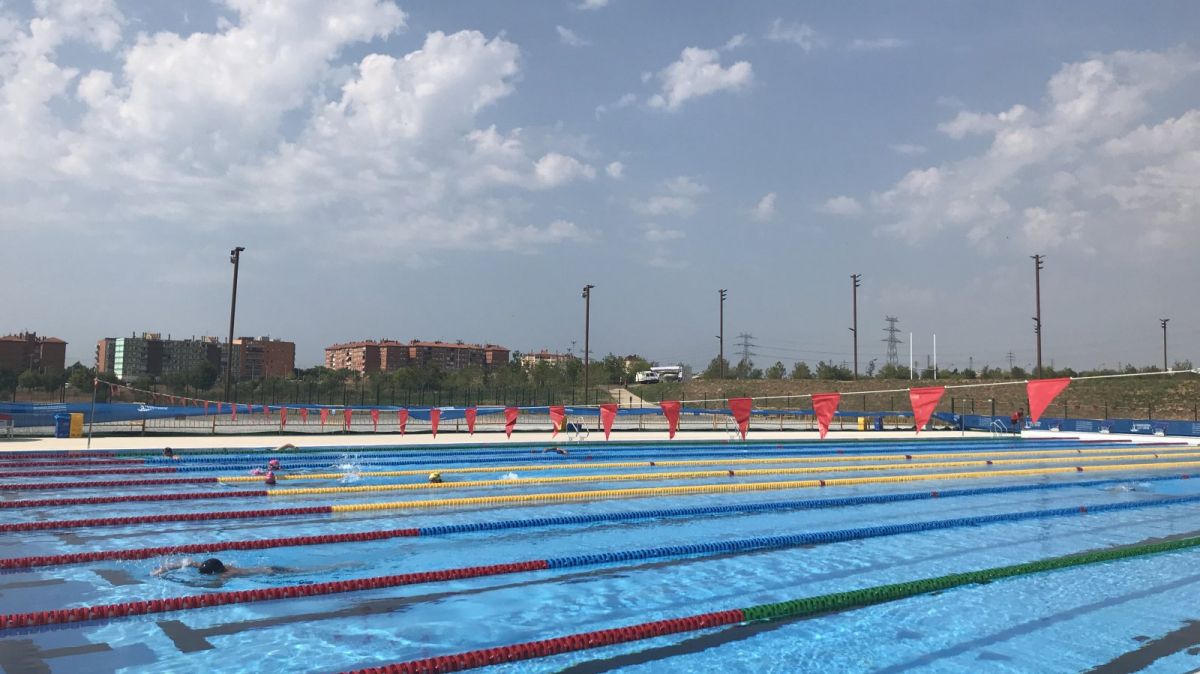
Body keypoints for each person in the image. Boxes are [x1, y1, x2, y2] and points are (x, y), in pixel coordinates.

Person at [152, 557, 290, 579]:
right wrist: (163, 569)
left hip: (271, 571)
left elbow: (216, 584)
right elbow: (186, 561)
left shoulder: (228, 574)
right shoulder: (208, 566)